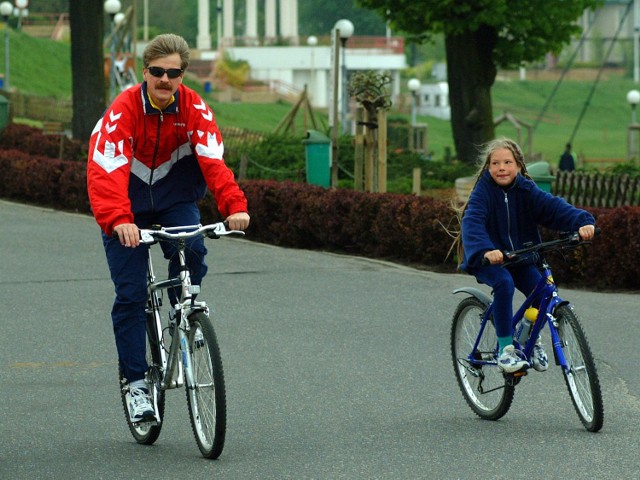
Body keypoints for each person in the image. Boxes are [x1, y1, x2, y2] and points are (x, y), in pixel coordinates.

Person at [87, 34, 250, 423]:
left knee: (193, 247)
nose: (164, 79)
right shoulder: (123, 110)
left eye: (173, 73)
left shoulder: (194, 108)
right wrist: (119, 219)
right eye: (157, 72)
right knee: (130, 295)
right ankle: (137, 385)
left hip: (175, 198)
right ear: (145, 72)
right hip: (125, 205)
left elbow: (213, 162)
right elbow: (105, 170)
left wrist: (235, 207)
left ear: (182, 75)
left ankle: (186, 312)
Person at [456, 138, 595, 373]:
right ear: (488, 167)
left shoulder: (526, 189)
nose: (501, 168)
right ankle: (505, 350)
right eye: (495, 163)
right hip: (487, 258)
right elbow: (473, 221)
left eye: (507, 162)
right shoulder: (483, 191)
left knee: (542, 293)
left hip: (520, 257)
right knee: (504, 283)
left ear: (519, 165)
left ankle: (530, 337)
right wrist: (485, 250)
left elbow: (553, 207)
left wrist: (583, 222)